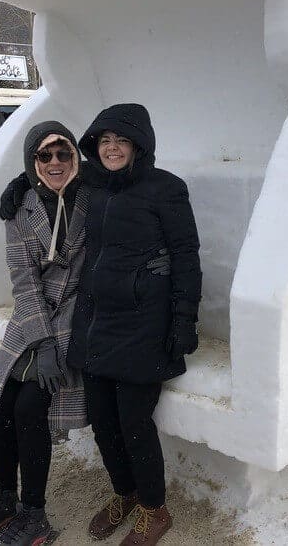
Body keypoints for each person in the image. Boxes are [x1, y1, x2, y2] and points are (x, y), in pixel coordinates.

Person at [71, 103, 201, 546]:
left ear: (138, 145)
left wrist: (184, 320)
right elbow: (47, 174)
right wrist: (18, 186)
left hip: (145, 323)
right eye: (104, 141)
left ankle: (154, 508)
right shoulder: (91, 184)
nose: (111, 148)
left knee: (133, 421)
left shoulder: (165, 189)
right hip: (96, 320)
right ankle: (124, 494)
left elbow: (186, 257)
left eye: (120, 140)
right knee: (102, 419)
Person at [0, 122, 89, 546]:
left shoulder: (94, 198)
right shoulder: (21, 207)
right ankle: (2, 498)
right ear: (32, 162)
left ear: (75, 157)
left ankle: (34, 513)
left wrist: (60, 342)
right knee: (1, 408)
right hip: (33, 321)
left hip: (75, 316)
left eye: (63, 154)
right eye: (44, 156)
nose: (55, 162)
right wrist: (44, 342)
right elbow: (24, 279)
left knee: (32, 409)